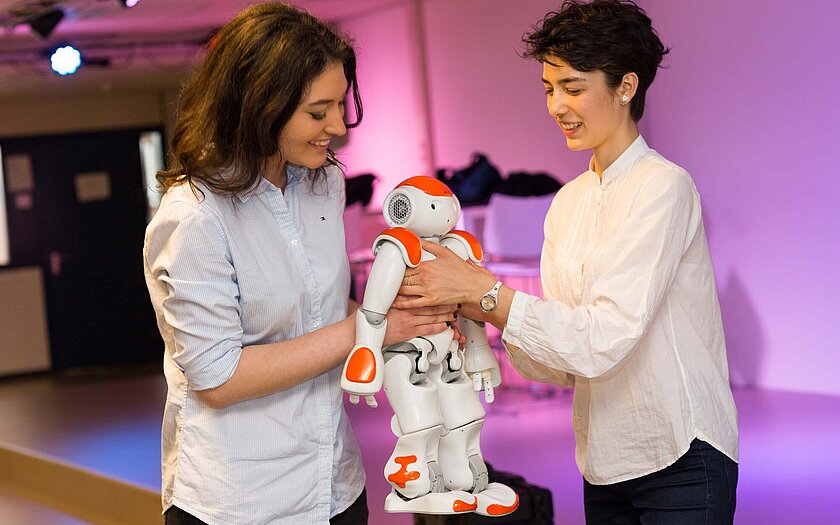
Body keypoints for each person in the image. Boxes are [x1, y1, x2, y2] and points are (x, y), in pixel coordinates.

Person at [395, 1, 739, 523]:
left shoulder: (664, 187)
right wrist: (478, 307)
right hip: (603, 461)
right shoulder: (567, 202)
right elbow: (559, 366)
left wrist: (487, 294)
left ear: (626, 86)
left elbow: (604, 339)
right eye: (549, 89)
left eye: (573, 88)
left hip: (680, 453)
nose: (557, 106)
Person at [143, 4, 458, 524]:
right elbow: (218, 379)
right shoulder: (195, 216)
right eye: (318, 112)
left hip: (334, 483)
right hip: (242, 502)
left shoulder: (322, 182)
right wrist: (371, 326)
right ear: (259, 106)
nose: (338, 125)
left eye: (340, 105)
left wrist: (412, 316)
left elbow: (324, 307)